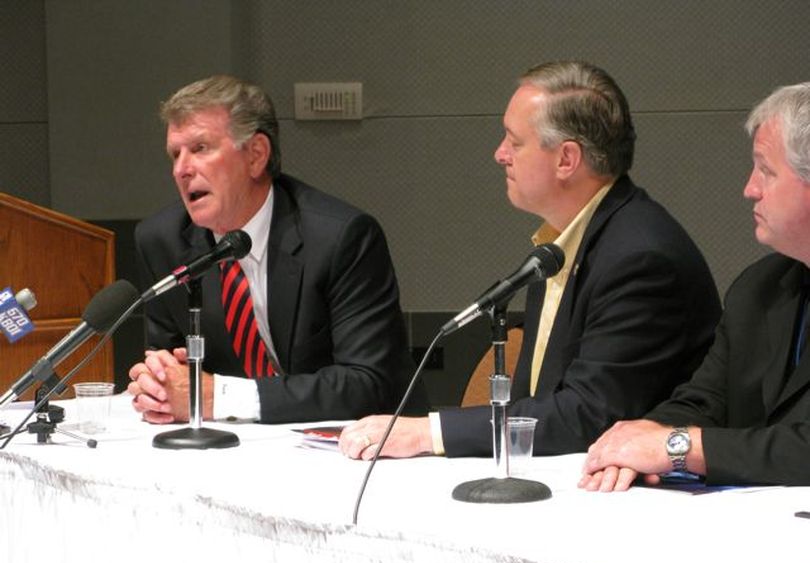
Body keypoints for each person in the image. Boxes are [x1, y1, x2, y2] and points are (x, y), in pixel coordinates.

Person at [339, 60, 721, 460]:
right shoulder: (562, 240)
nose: (499, 154)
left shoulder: (640, 259)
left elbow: (586, 415)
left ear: (566, 160)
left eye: (514, 141)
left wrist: (427, 433)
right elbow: (539, 399)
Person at [127, 74, 425, 424]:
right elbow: (171, 369)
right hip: (235, 448)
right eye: (175, 154)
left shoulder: (340, 238)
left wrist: (220, 397)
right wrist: (157, 386)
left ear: (256, 155)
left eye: (200, 149)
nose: (181, 169)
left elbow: (367, 383)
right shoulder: (162, 241)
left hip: (353, 448)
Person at [581, 82, 810, 491]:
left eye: (766, 170)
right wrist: (637, 440)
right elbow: (704, 401)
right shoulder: (759, 288)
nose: (749, 188)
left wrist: (679, 448)